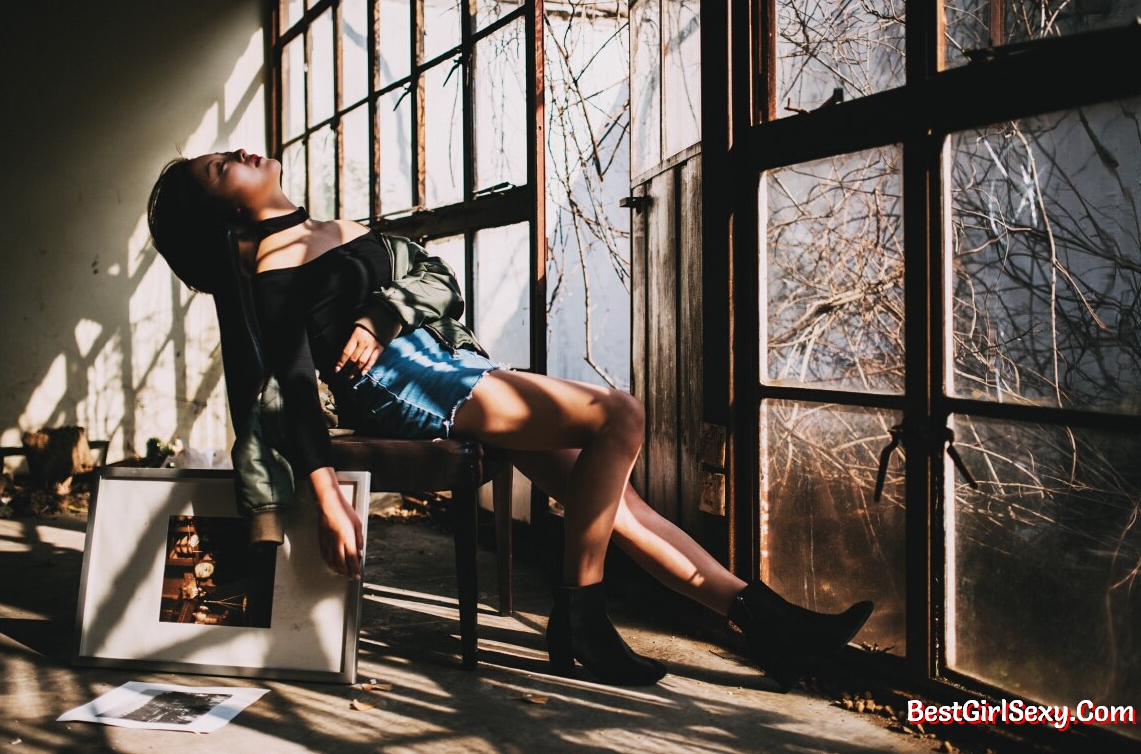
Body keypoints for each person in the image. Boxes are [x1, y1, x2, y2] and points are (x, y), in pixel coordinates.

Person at [147, 148, 873, 690]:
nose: (239, 153)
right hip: (407, 385)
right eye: (220, 168)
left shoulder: (336, 226)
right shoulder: (272, 270)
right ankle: (580, 615)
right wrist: (328, 496)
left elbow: (425, 278)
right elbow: (293, 392)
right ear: (226, 212)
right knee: (620, 415)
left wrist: (378, 311)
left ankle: (775, 627)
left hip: (450, 365)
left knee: (622, 508)